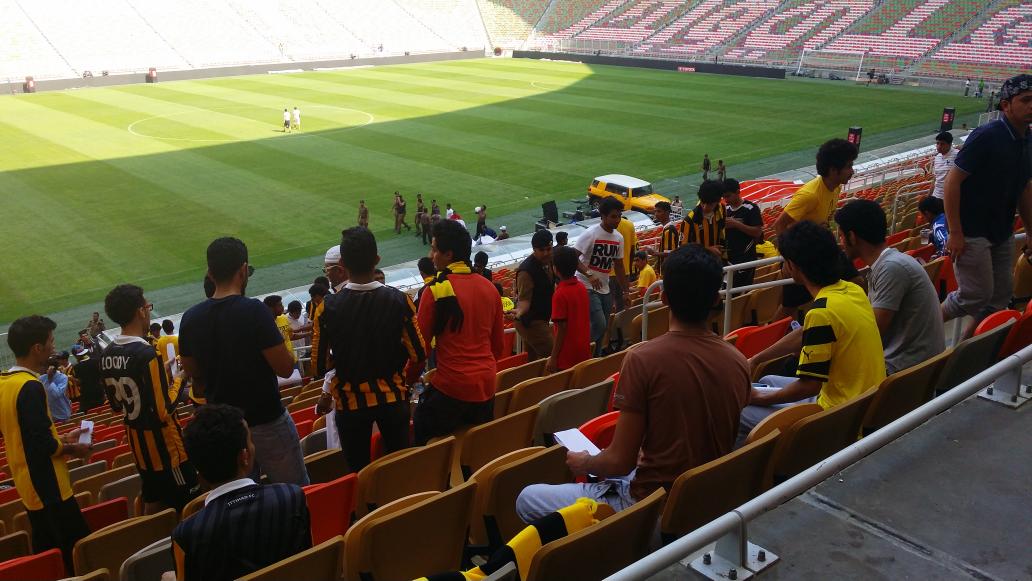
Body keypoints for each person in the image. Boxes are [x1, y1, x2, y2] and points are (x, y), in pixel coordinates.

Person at [516, 245, 749, 520]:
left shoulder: (643, 359)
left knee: (526, 498)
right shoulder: (738, 360)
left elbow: (619, 462)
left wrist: (585, 462)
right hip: (707, 495)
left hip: (650, 503)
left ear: (663, 297)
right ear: (715, 299)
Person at [179, 237, 309, 486]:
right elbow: (285, 368)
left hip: (226, 431)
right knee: (295, 493)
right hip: (268, 421)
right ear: (243, 270)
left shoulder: (190, 319)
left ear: (210, 273)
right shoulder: (255, 311)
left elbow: (194, 375)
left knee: (239, 500)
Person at [740, 221, 885, 441]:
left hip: (835, 415)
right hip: (858, 401)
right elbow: (805, 333)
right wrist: (756, 359)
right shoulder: (851, 290)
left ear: (793, 266)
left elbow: (808, 386)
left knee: (739, 410)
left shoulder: (821, 312)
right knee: (768, 378)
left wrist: (757, 397)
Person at [315, 227, 426, 470]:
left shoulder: (327, 308)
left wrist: (343, 357)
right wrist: (403, 382)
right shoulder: (400, 300)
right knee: (400, 467)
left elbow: (319, 366)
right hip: (393, 399)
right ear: (376, 259)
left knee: (359, 472)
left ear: (343, 264)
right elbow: (419, 355)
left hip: (350, 404)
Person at [171, 404, 311, 581]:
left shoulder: (186, 535)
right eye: (250, 440)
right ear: (244, 456)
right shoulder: (292, 497)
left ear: (199, 473)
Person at [942, 74, 1032, 337]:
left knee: (1000, 295)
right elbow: (952, 182)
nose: (1031, 106)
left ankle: (966, 349)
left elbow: (1024, 187)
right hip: (971, 230)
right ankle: (925, 327)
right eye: (1025, 100)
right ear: (1006, 105)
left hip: (1001, 230)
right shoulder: (987, 136)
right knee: (974, 295)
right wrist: (955, 232)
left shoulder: (1027, 139)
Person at [1, 316, 92, 574]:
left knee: (50, 551)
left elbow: (27, 435)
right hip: (49, 487)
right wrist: (73, 448)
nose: (53, 347)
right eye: (50, 342)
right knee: (75, 555)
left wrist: (63, 439)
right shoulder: (31, 387)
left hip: (29, 485)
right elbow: (43, 444)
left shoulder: (5, 384)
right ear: (37, 348)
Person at [101, 284, 199, 513]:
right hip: (167, 451)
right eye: (147, 306)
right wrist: (180, 378)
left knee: (154, 504)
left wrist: (159, 374)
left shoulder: (106, 355)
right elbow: (163, 410)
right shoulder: (146, 354)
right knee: (190, 507)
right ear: (140, 311)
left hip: (140, 451)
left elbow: (116, 406)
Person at [414, 219, 504, 445]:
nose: (431, 255)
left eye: (435, 249)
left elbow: (420, 350)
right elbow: (497, 347)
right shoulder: (490, 288)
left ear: (448, 254)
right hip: (486, 386)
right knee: (476, 447)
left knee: (421, 437)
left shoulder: (434, 290)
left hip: (452, 387)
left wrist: (407, 381)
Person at [836, 200, 946, 374]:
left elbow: (872, 334)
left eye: (841, 236)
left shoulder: (891, 268)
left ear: (852, 237)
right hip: (914, 365)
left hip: (907, 371)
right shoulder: (889, 264)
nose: (841, 243)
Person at [772, 138, 860, 315]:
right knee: (789, 308)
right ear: (833, 170)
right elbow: (779, 224)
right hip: (802, 256)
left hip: (822, 248)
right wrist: (789, 259)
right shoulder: (809, 195)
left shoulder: (835, 187)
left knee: (857, 281)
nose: (852, 171)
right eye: (849, 166)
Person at [573, 197, 630, 355]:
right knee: (599, 323)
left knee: (603, 328)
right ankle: (581, 352)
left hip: (605, 287)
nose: (617, 220)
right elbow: (572, 258)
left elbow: (619, 266)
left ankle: (594, 358)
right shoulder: (591, 234)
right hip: (586, 285)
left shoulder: (619, 238)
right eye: (613, 216)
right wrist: (589, 274)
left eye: (619, 216)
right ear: (603, 216)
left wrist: (626, 291)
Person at [511, 230, 555, 362]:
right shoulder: (526, 271)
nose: (546, 253)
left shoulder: (549, 261)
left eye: (548, 249)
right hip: (532, 322)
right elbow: (524, 302)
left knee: (533, 360)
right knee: (554, 357)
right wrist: (519, 312)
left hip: (540, 319)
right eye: (542, 250)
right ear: (534, 250)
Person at [547, 246, 591, 373]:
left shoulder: (559, 294)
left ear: (555, 268)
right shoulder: (582, 287)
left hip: (566, 356)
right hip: (583, 350)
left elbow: (561, 328)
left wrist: (553, 357)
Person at [311, 245, 348, 377]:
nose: (326, 274)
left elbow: (319, 364)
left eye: (327, 269)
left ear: (340, 271)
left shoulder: (327, 306)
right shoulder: (397, 297)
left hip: (349, 382)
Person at [723, 178, 764, 288]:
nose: (725, 200)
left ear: (738, 192)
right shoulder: (725, 209)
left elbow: (758, 232)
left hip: (746, 259)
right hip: (729, 259)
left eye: (728, 196)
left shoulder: (751, 208)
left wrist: (736, 224)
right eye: (723, 197)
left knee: (740, 291)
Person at [680, 180, 727, 260]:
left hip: (718, 261)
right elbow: (683, 251)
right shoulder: (689, 221)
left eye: (710, 204)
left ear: (718, 201)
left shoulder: (721, 209)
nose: (705, 207)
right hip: (700, 264)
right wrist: (707, 250)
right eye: (703, 202)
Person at [611, 215, 638, 311]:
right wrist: (629, 270)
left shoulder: (605, 225)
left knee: (610, 304)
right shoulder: (629, 225)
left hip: (609, 273)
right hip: (625, 271)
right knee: (622, 305)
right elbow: (633, 251)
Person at [646, 201, 678, 274]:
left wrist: (654, 253)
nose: (656, 214)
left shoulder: (669, 230)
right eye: (655, 211)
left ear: (667, 213)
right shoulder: (667, 228)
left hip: (668, 272)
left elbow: (670, 253)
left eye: (659, 211)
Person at [71, 344, 105, 413]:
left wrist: (72, 379)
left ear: (76, 356)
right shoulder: (96, 361)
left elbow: (79, 382)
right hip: (99, 392)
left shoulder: (76, 367)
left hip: (87, 396)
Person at [263, 295, 297, 364]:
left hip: (292, 359)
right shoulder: (264, 324)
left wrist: (308, 333)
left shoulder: (284, 318)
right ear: (271, 308)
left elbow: (290, 336)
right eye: (280, 305)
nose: (283, 307)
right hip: (278, 363)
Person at [931, 132, 956, 200]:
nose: (939, 146)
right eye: (937, 143)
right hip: (935, 195)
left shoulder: (957, 155)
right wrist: (929, 196)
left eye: (942, 144)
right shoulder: (937, 158)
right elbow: (935, 179)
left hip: (949, 197)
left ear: (950, 144)